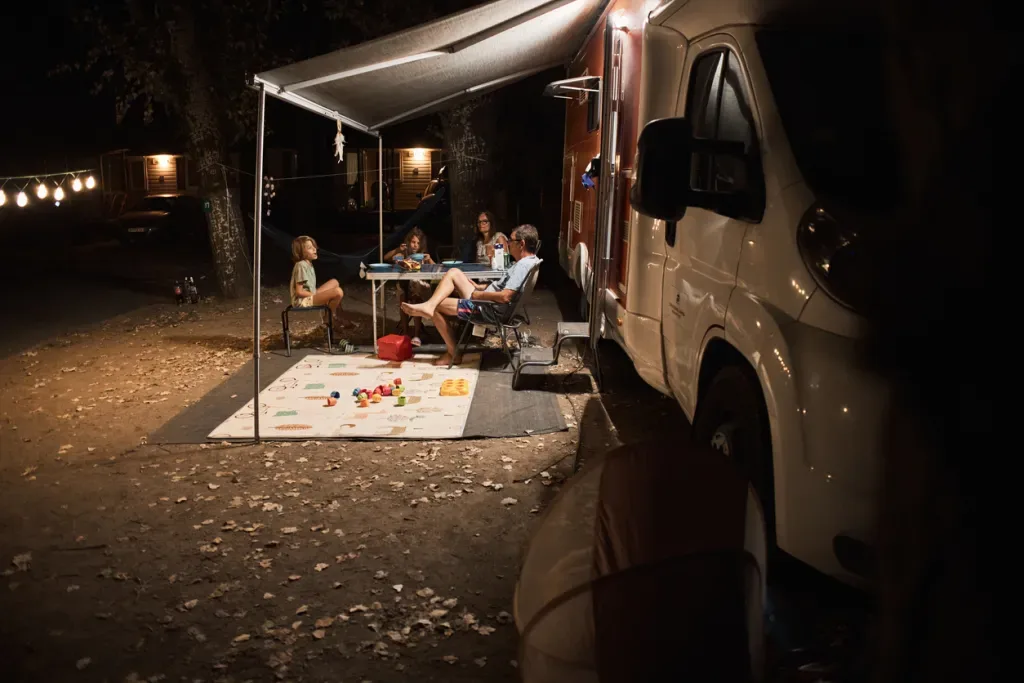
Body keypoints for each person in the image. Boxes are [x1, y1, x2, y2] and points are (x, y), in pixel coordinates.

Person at [402, 224, 540, 366]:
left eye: (511, 240)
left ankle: (453, 353)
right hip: (487, 301)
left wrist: (478, 295)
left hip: (487, 308)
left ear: (521, 244)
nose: (508, 244)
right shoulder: (530, 262)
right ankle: (429, 306)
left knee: (437, 305)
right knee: (454, 272)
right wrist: (480, 287)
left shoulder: (523, 266)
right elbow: (503, 288)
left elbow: (505, 296)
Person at [383, 227, 434, 346]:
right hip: (404, 285)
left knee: (416, 297)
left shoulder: (423, 256)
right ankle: (405, 334)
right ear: (408, 242)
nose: (415, 245)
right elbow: (386, 257)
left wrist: (429, 259)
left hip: (420, 287)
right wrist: (397, 250)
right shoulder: (404, 253)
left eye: (418, 243)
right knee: (402, 297)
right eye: (413, 242)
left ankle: (416, 335)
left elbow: (436, 268)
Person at [289, 235, 345, 328]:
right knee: (338, 292)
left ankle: (337, 316)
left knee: (334, 282)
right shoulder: (301, 265)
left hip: (310, 295)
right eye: (310, 248)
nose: (314, 249)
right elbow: (299, 292)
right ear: (301, 252)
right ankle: (328, 319)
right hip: (302, 301)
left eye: (314, 246)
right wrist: (317, 296)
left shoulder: (308, 263)